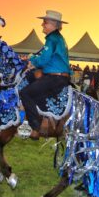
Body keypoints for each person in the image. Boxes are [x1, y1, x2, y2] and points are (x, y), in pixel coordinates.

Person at [20, 10, 72, 140]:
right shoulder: (57, 38)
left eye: (45, 22)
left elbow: (43, 60)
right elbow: (44, 57)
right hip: (58, 77)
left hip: (55, 78)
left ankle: (35, 128)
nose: (42, 25)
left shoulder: (52, 39)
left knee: (25, 93)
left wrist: (32, 61)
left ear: (54, 24)